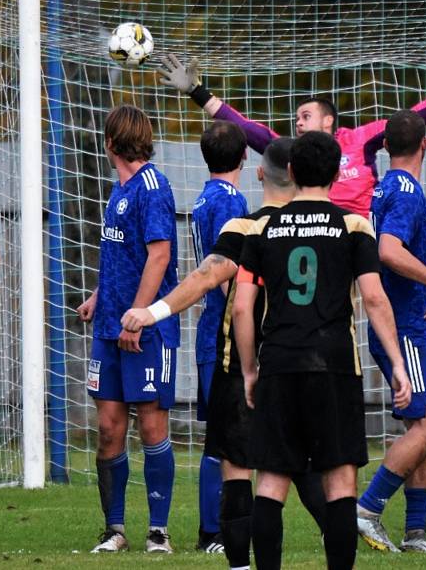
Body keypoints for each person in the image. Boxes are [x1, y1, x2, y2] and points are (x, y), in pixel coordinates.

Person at [122, 138, 328, 570]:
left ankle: (234, 560)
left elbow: (205, 277)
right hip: (302, 363)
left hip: (241, 361)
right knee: (301, 464)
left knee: (235, 464)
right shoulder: (335, 230)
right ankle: (339, 536)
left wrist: (152, 311)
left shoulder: (244, 226)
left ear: (261, 174)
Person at [232, 131, 412, 570]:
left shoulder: (261, 227)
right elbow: (374, 298)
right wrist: (397, 363)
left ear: (291, 172)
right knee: (340, 479)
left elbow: (241, 305)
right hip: (333, 364)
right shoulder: (353, 226)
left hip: (279, 362)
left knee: (271, 479)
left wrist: (250, 369)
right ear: (336, 174)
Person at [158, 54, 426, 217]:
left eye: (306, 116)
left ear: (328, 120)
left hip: (363, 235)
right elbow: (246, 128)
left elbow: (410, 121)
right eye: (296, 119)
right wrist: (197, 92)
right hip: (314, 233)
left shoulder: (359, 139)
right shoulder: (293, 150)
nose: (298, 124)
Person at [76, 105, 179, 554]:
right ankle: (114, 529)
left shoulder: (152, 188)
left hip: (146, 329)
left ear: (111, 142)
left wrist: (138, 315)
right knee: (109, 427)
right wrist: (100, 296)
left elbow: (159, 256)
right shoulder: (118, 190)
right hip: (108, 327)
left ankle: (158, 532)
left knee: (152, 425)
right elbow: (123, 255)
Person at [356, 110, 426, 554]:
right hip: (408, 327)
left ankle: (417, 534)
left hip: (420, 324)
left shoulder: (389, 188)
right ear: (425, 146)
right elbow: (388, 251)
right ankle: (368, 508)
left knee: (425, 426)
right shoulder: (406, 192)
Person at [191, 120, 249, 553]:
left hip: (208, 328)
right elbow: (228, 272)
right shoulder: (231, 201)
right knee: (225, 436)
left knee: (220, 434)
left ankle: (211, 529)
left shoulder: (202, 198)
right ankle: (214, 531)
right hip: (223, 332)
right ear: (245, 157)